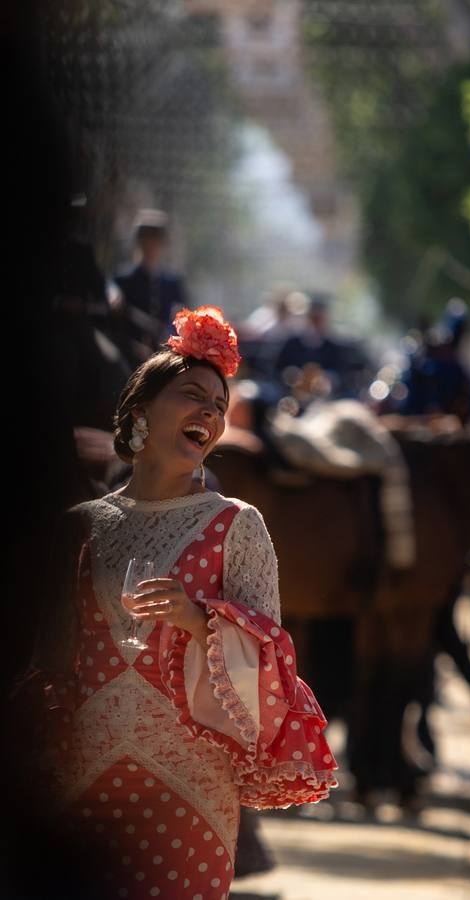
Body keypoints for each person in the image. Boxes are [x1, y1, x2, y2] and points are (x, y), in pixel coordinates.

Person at [29, 306, 337, 899]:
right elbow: (48, 664)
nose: (211, 413)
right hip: (83, 784)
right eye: (193, 395)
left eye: (219, 406)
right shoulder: (81, 528)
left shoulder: (237, 526)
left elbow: (272, 672)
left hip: (188, 790)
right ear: (140, 411)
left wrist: (197, 621)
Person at [114, 209, 187, 365]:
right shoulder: (123, 280)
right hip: (128, 355)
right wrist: (132, 345)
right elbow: (116, 322)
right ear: (139, 242)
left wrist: (166, 345)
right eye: (146, 239)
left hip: (164, 355)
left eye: (156, 240)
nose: (151, 245)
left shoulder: (173, 283)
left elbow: (181, 321)